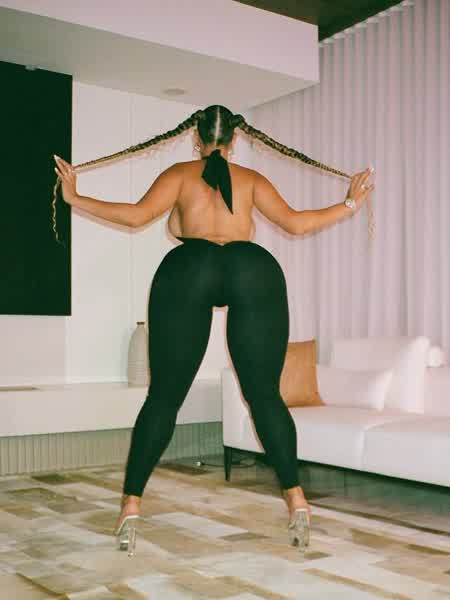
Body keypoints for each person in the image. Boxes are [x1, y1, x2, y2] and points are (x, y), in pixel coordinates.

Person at [53, 105, 374, 556]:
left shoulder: (180, 174)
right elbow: (296, 223)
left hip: (189, 268)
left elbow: (136, 215)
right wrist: (350, 203)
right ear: (235, 139)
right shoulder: (252, 180)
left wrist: (74, 197)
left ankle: (130, 507)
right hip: (252, 268)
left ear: (197, 139)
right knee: (265, 397)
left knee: (163, 398)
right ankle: (297, 500)